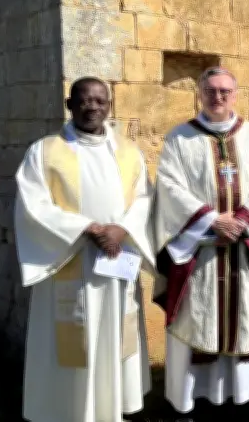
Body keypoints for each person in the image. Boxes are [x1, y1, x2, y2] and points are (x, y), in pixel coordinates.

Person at [14, 77, 155, 422]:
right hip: (69, 261)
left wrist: (121, 230)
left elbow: (145, 199)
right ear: (69, 105)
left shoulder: (128, 152)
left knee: (114, 333)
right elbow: (33, 204)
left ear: (109, 106)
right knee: (74, 340)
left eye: (99, 101)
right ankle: (69, 411)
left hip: (115, 260)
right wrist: (87, 229)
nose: (92, 107)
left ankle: (112, 409)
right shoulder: (44, 151)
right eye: (84, 101)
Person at [152, 67, 249, 415]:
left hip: (242, 246)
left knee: (244, 318)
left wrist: (242, 220)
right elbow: (169, 186)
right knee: (198, 316)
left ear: (235, 95)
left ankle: (245, 396)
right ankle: (194, 399)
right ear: (200, 94)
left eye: (224, 91)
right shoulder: (179, 138)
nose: (217, 97)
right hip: (201, 250)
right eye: (210, 91)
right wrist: (211, 220)